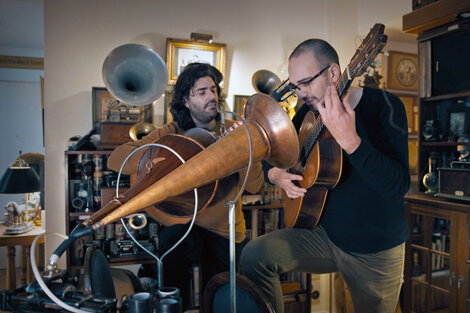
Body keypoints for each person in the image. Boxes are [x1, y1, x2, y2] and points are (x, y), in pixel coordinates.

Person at [241, 39, 410, 313]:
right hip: (324, 236)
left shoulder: (385, 106)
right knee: (254, 256)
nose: (300, 92)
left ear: (333, 73)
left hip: (375, 249)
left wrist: (352, 141)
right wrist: (274, 174)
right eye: (295, 85)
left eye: (306, 82)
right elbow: (271, 152)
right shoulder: (306, 114)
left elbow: (398, 185)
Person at [107, 62, 264, 309]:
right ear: (185, 100)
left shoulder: (234, 130)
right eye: (201, 92)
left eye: (213, 90)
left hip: (223, 229)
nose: (211, 97)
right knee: (172, 251)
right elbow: (117, 159)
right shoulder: (171, 132)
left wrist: (244, 147)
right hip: (181, 223)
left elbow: (255, 186)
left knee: (221, 293)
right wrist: (167, 157)